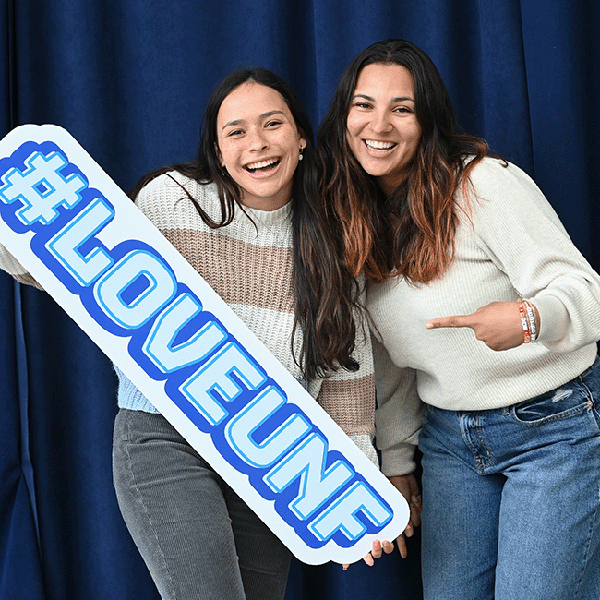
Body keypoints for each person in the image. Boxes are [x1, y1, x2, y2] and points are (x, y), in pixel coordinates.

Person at [0, 68, 381, 599]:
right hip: (165, 438)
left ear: (300, 139)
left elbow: (348, 365)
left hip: (272, 458)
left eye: (273, 124)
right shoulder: (172, 200)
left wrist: (354, 481)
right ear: (219, 150)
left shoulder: (335, 234)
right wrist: (13, 230)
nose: (258, 144)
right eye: (237, 132)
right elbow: (85, 266)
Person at [318, 39, 600, 600]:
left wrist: (526, 318)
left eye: (402, 108)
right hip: (449, 444)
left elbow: (585, 292)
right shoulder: (351, 217)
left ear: (427, 120)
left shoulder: (482, 185)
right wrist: (396, 460)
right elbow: (396, 359)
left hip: (551, 431)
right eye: (364, 105)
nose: (380, 124)